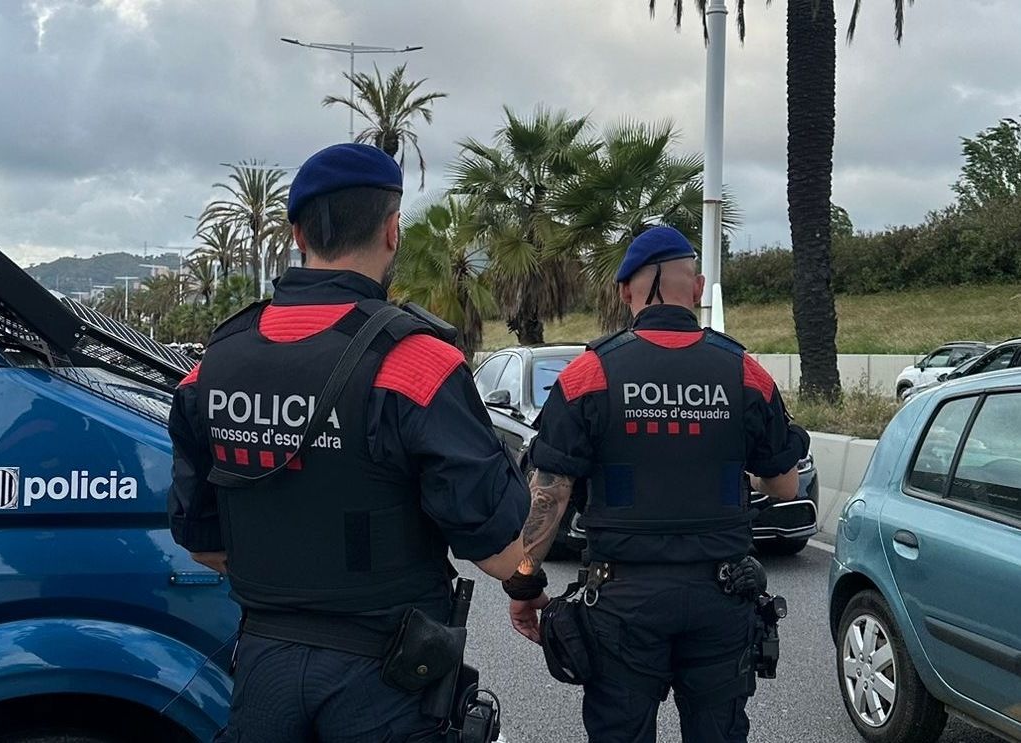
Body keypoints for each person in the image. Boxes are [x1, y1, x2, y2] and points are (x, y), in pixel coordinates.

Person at [168, 143, 530, 743]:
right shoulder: (418, 364)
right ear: (392, 230)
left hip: (263, 670)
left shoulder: (213, 366)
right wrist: (529, 579)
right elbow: (498, 553)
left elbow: (202, 542)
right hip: (386, 681)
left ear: (297, 234)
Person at [501, 226, 810, 743]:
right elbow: (784, 486)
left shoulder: (588, 374)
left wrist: (524, 583)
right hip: (722, 597)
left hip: (622, 603)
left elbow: (549, 492)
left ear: (626, 292)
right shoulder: (746, 373)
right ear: (699, 288)